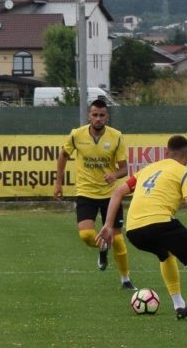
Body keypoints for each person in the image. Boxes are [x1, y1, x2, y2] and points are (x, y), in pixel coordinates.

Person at [97, 135, 187, 322]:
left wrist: (108, 225)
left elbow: (118, 191)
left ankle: (179, 306)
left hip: (134, 230)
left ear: (166, 152)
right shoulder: (184, 172)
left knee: (165, 254)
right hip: (160, 223)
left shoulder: (148, 169)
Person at [55, 98, 134, 289]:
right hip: (86, 192)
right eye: (95, 115)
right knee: (86, 235)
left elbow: (124, 169)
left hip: (110, 195)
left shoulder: (116, 136)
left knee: (118, 240)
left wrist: (114, 175)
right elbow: (63, 156)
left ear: (107, 117)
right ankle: (102, 247)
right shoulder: (76, 135)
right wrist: (58, 183)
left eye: (101, 115)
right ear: (89, 116)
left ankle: (125, 279)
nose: (98, 118)